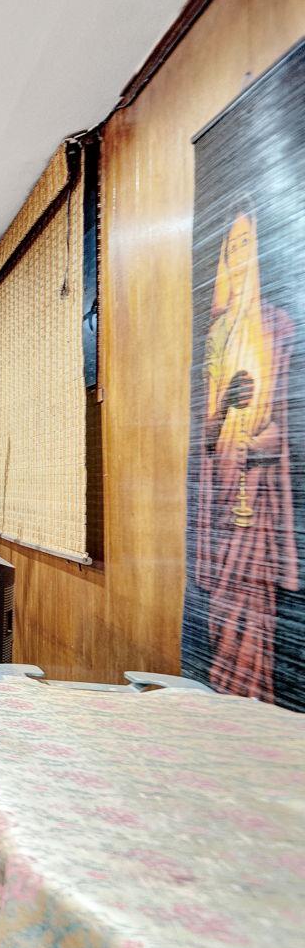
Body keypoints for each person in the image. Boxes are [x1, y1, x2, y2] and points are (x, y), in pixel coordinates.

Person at [192, 205, 297, 700]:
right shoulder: (216, 335)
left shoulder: (277, 328)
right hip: (222, 486)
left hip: (256, 496)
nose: (237, 255)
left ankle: (253, 704)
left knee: (257, 611)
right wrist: (226, 409)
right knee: (221, 612)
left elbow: (285, 424)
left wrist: (254, 442)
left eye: (244, 245)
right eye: (230, 246)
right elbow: (209, 433)